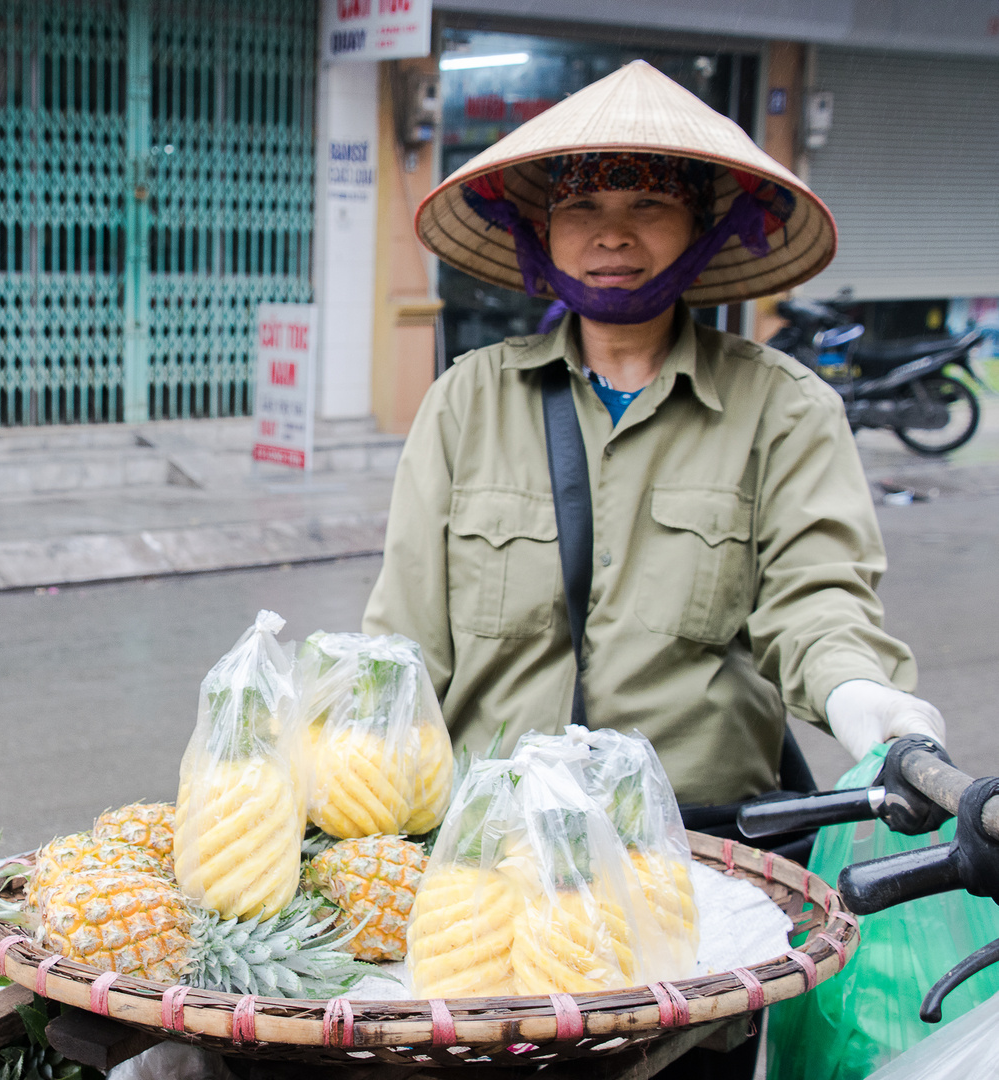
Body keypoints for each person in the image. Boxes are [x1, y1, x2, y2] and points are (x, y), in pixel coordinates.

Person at [364, 61, 944, 1076]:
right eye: (581, 203)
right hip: (488, 884)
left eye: (649, 204)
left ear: (713, 224)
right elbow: (403, 645)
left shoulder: (785, 410)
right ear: (539, 229)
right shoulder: (469, 403)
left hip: (700, 880)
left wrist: (865, 702)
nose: (611, 234)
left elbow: (819, 598)